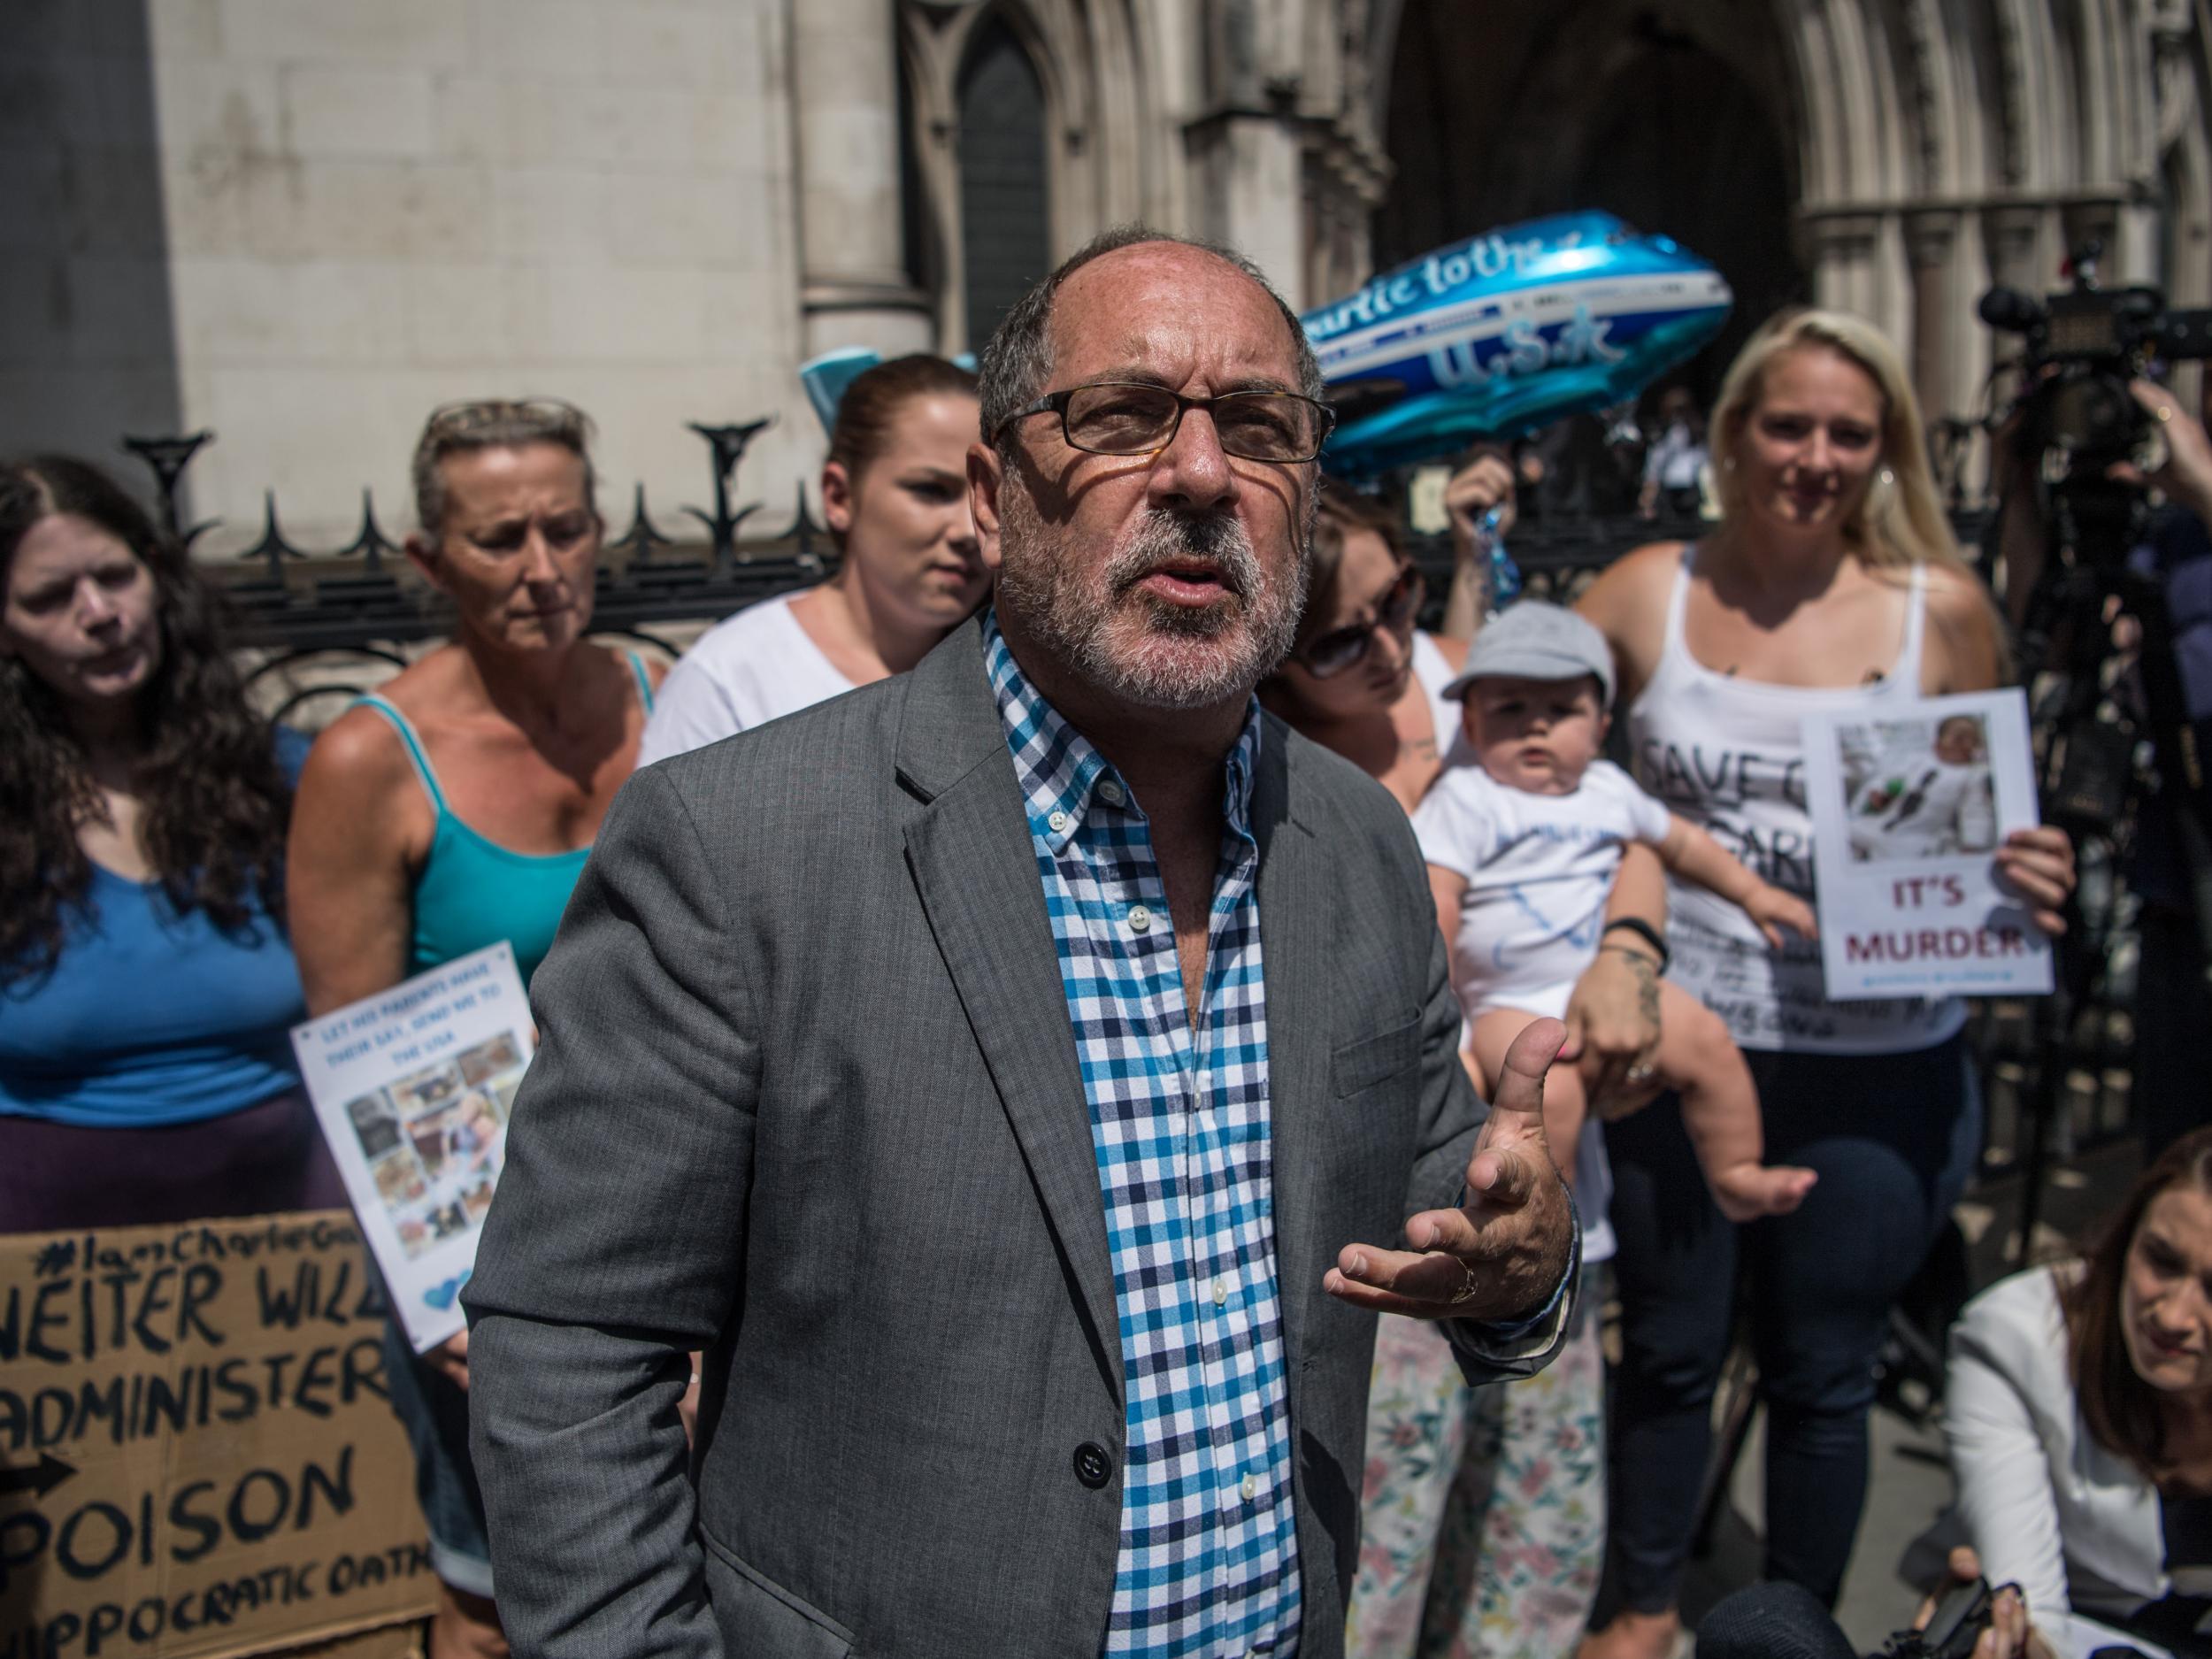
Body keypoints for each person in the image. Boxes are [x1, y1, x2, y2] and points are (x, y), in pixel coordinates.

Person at [462, 228, 1580, 1659]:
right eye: (1119, 419)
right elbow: (570, 1351)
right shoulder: (739, 849)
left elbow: (1451, 1233)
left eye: (1258, 429)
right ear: (994, 494)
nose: (1195, 475)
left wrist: (1525, 1265)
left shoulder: (1360, 846)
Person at [1572, 308, 2079, 1658]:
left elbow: (1988, 825)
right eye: (1787, 423)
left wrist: (2026, 868)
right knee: (1671, 1353)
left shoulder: (1944, 612)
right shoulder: (1640, 589)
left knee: (1823, 1374)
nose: (1815, 455)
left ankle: (1783, 1631)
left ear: (1887, 450)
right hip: (1690, 1047)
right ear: (1733, 432)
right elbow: (1529, 744)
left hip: (1882, 1066)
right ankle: (1640, 1604)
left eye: (1849, 432)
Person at [1257, 500, 1668, 1658]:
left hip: (1541, 1195)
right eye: (1343, 637)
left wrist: (1630, 957)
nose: (1391, 646)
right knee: (1377, 1550)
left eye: (1400, 598)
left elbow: (1628, 828)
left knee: (1526, 1528)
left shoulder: (1469, 679)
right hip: (1389, 1221)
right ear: (1276, 657)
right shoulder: (1271, 774)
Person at [288, 397, 662, 1659]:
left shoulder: (668, 699)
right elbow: (362, 1064)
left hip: (670, 1209)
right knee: (495, 1590)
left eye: (566, 527)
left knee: (671, 1553)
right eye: (501, 539)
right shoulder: (368, 759)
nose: (544, 569)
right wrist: (445, 1287)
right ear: (427, 559)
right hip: (482, 1248)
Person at [0, 456, 341, 1233]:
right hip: (47, 1254)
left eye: (115, 577)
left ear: (157, 573)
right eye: (50, 597)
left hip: (289, 1241)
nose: (98, 613)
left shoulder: (281, 778)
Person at [1421, 600, 1819, 1226]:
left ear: (1601, 724)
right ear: (1471, 726)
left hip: (1605, 983)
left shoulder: (1610, 791)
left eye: (1561, 710)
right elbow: (1438, 894)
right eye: (1510, 709)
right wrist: (1432, 984)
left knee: (1710, 1042)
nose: (1536, 727)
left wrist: (1754, 893)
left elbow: (1683, 844)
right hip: (1507, 999)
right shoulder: (1467, 798)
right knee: (1552, 1096)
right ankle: (1543, 1228)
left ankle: (1736, 1170)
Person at [637, 354, 989, 763]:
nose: (969, 528)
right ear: (839, 496)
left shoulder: (1012, 668)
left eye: (987, 494)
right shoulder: (729, 680)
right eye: (930, 490)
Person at [1947, 1126, 2212, 1659]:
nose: (2173, 1316)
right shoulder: (2016, 1341)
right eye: (2161, 1259)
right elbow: (2029, 1610)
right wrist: (2021, 1639)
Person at [1639, 387, 1709, 521]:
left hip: (1692, 489)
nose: (1678, 416)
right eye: (1674, 411)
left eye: (1682, 410)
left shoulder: (1697, 435)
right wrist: (1646, 502)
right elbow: (1653, 471)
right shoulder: (1663, 437)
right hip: (1669, 492)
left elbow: (1706, 463)